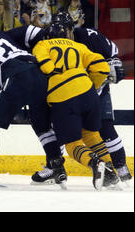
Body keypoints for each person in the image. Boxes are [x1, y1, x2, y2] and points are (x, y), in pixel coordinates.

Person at [32, 12, 132, 183]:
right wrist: (92, 85)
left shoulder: (85, 36)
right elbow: (102, 66)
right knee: (92, 134)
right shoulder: (80, 47)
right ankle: (109, 173)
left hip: (67, 94)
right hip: (89, 89)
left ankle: (111, 165)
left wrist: (56, 74)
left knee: (86, 136)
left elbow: (112, 55)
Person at [0, 24, 65, 190]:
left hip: (18, 78)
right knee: (41, 125)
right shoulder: (2, 35)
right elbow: (36, 32)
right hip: (42, 75)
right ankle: (56, 165)